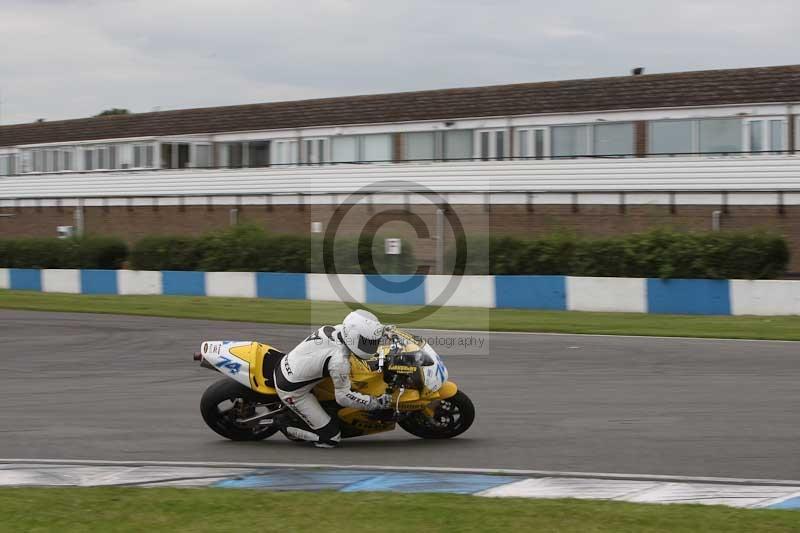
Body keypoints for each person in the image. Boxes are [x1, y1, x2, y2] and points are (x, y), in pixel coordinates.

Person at [274, 309, 392, 448]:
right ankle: (284, 424)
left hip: (291, 363)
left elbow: (362, 329)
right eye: (367, 342)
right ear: (353, 338)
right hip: (292, 389)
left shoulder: (340, 330)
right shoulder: (339, 361)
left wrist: (382, 331)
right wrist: (375, 403)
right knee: (331, 438)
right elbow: (343, 397)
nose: (372, 346)